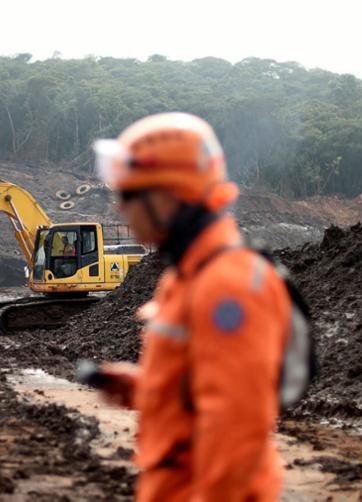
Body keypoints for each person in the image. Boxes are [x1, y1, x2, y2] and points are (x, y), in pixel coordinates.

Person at [93, 112, 294, 501]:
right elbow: (198, 389)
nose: (120, 208)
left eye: (129, 194)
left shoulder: (227, 287)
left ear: (169, 196)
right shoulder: (185, 276)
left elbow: (236, 430)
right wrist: (145, 386)